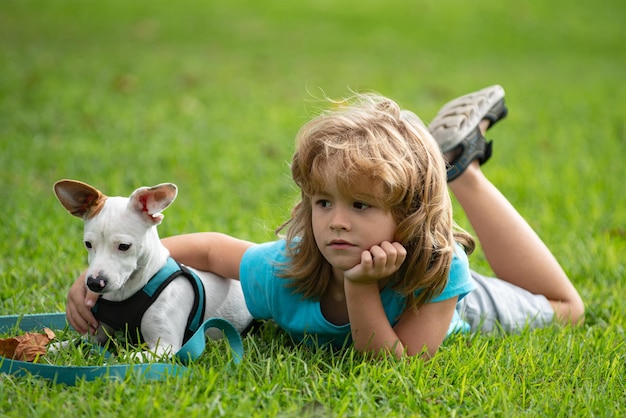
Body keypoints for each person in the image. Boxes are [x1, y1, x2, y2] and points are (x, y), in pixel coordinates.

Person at [65, 85, 584, 358]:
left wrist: (361, 291)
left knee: (566, 308)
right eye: (323, 203)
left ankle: (458, 169)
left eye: (360, 206)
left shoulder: (439, 270)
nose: (336, 222)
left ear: (406, 215)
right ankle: (443, 162)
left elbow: (393, 368)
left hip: (472, 307)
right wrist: (110, 271)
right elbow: (206, 249)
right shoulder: (284, 272)